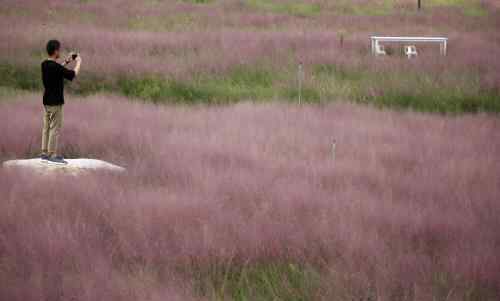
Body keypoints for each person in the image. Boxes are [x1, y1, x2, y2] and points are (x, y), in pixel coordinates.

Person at [40, 39, 82, 164]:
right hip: (55, 103)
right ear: (56, 51)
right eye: (59, 49)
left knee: (46, 127)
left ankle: (44, 152)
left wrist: (67, 61)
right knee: (55, 128)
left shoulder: (44, 64)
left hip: (46, 101)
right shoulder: (55, 67)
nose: (60, 51)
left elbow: (57, 69)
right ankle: (52, 154)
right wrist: (78, 62)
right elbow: (72, 75)